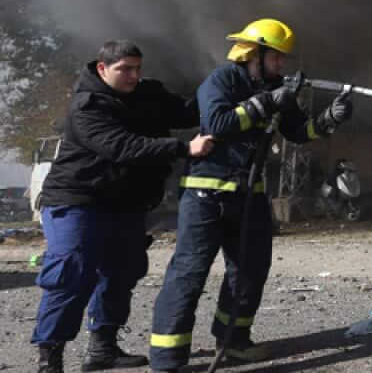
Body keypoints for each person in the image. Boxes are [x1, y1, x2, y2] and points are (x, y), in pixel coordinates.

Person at [148, 19, 353, 372]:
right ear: (253, 53)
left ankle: (235, 341)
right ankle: (167, 358)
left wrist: (329, 119)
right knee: (189, 273)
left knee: (250, 270)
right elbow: (217, 123)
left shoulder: (276, 87)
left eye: (283, 60)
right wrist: (265, 103)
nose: (282, 65)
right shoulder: (221, 80)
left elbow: (297, 132)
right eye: (276, 58)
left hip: (250, 195)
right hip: (205, 195)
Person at [32, 41, 213, 373]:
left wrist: (226, 85)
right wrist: (185, 148)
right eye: (125, 69)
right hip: (77, 200)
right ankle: (50, 358)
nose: (134, 76)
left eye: (138, 68)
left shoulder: (148, 95)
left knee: (123, 270)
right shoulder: (87, 105)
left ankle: (102, 347)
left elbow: (189, 111)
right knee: (71, 272)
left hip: (125, 204)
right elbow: (121, 146)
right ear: (103, 68)